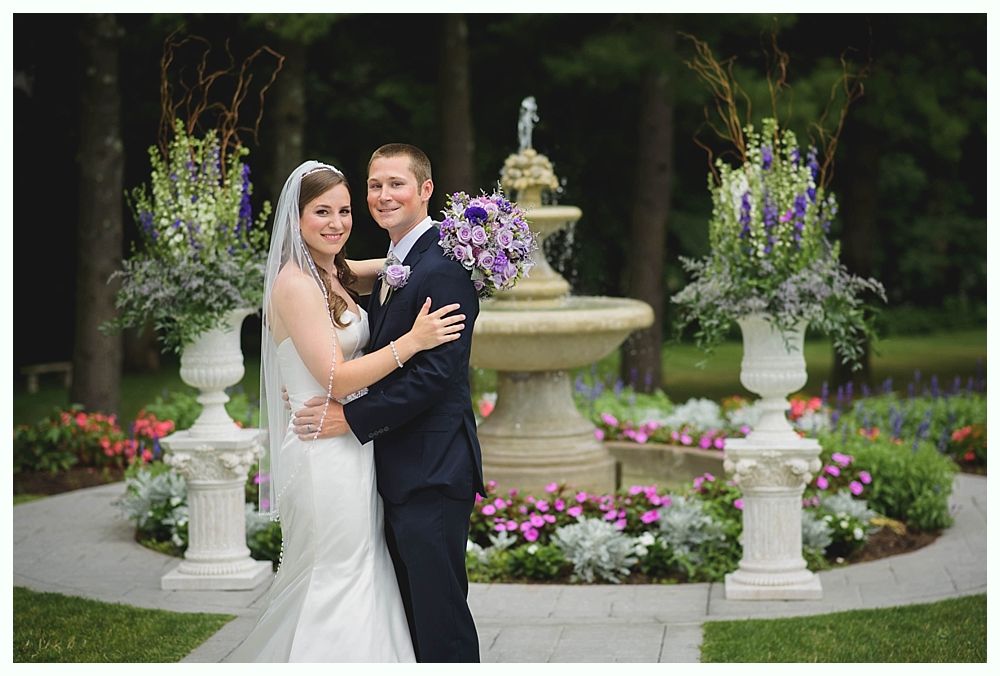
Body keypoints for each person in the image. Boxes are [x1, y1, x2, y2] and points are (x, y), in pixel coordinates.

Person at [229, 160, 466, 662]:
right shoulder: (296, 284)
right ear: (295, 220)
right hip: (324, 449)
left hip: (351, 445)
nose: (336, 223)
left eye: (344, 210)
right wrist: (413, 341)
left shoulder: (332, 271)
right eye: (321, 212)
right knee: (335, 574)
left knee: (362, 569)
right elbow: (334, 376)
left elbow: (393, 264)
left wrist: (465, 244)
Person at [292, 144, 485, 662]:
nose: (383, 196)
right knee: (410, 620)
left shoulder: (442, 268)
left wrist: (351, 417)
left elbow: (436, 378)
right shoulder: (401, 261)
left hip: (432, 470)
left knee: (440, 620)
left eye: (396, 183)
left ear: (426, 190)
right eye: (375, 185)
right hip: (395, 470)